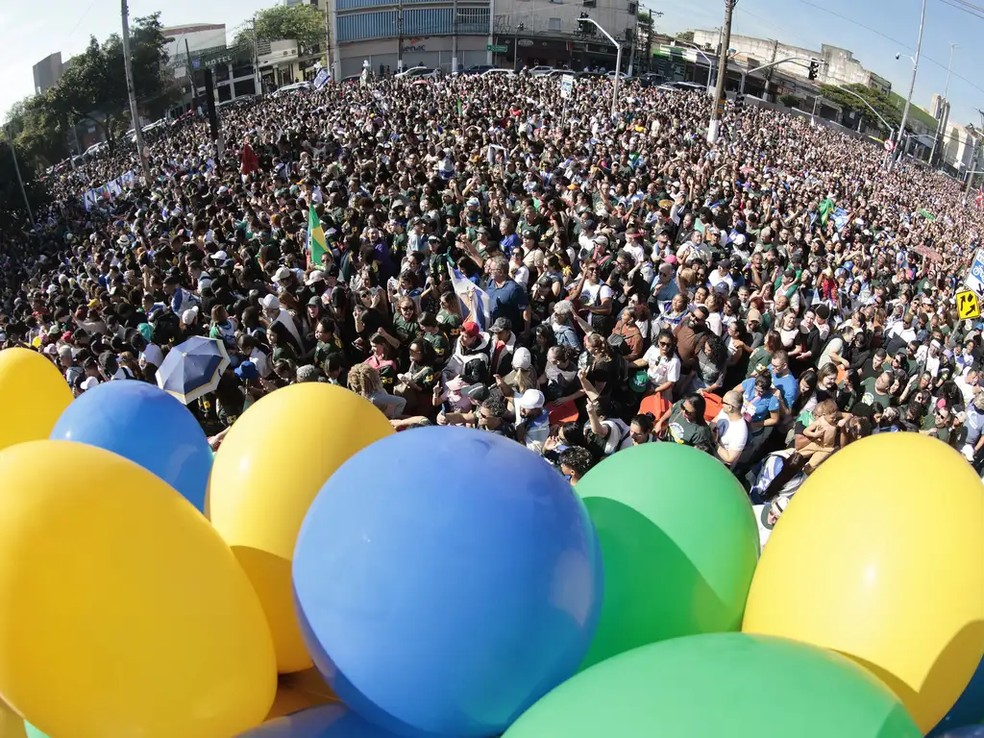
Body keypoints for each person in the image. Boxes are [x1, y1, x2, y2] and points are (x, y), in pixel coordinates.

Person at [713, 389, 749, 468]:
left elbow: (730, 458)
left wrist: (715, 443)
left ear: (730, 407)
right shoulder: (724, 412)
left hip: (719, 465)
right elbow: (714, 422)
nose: (721, 404)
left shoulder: (740, 431)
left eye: (723, 401)